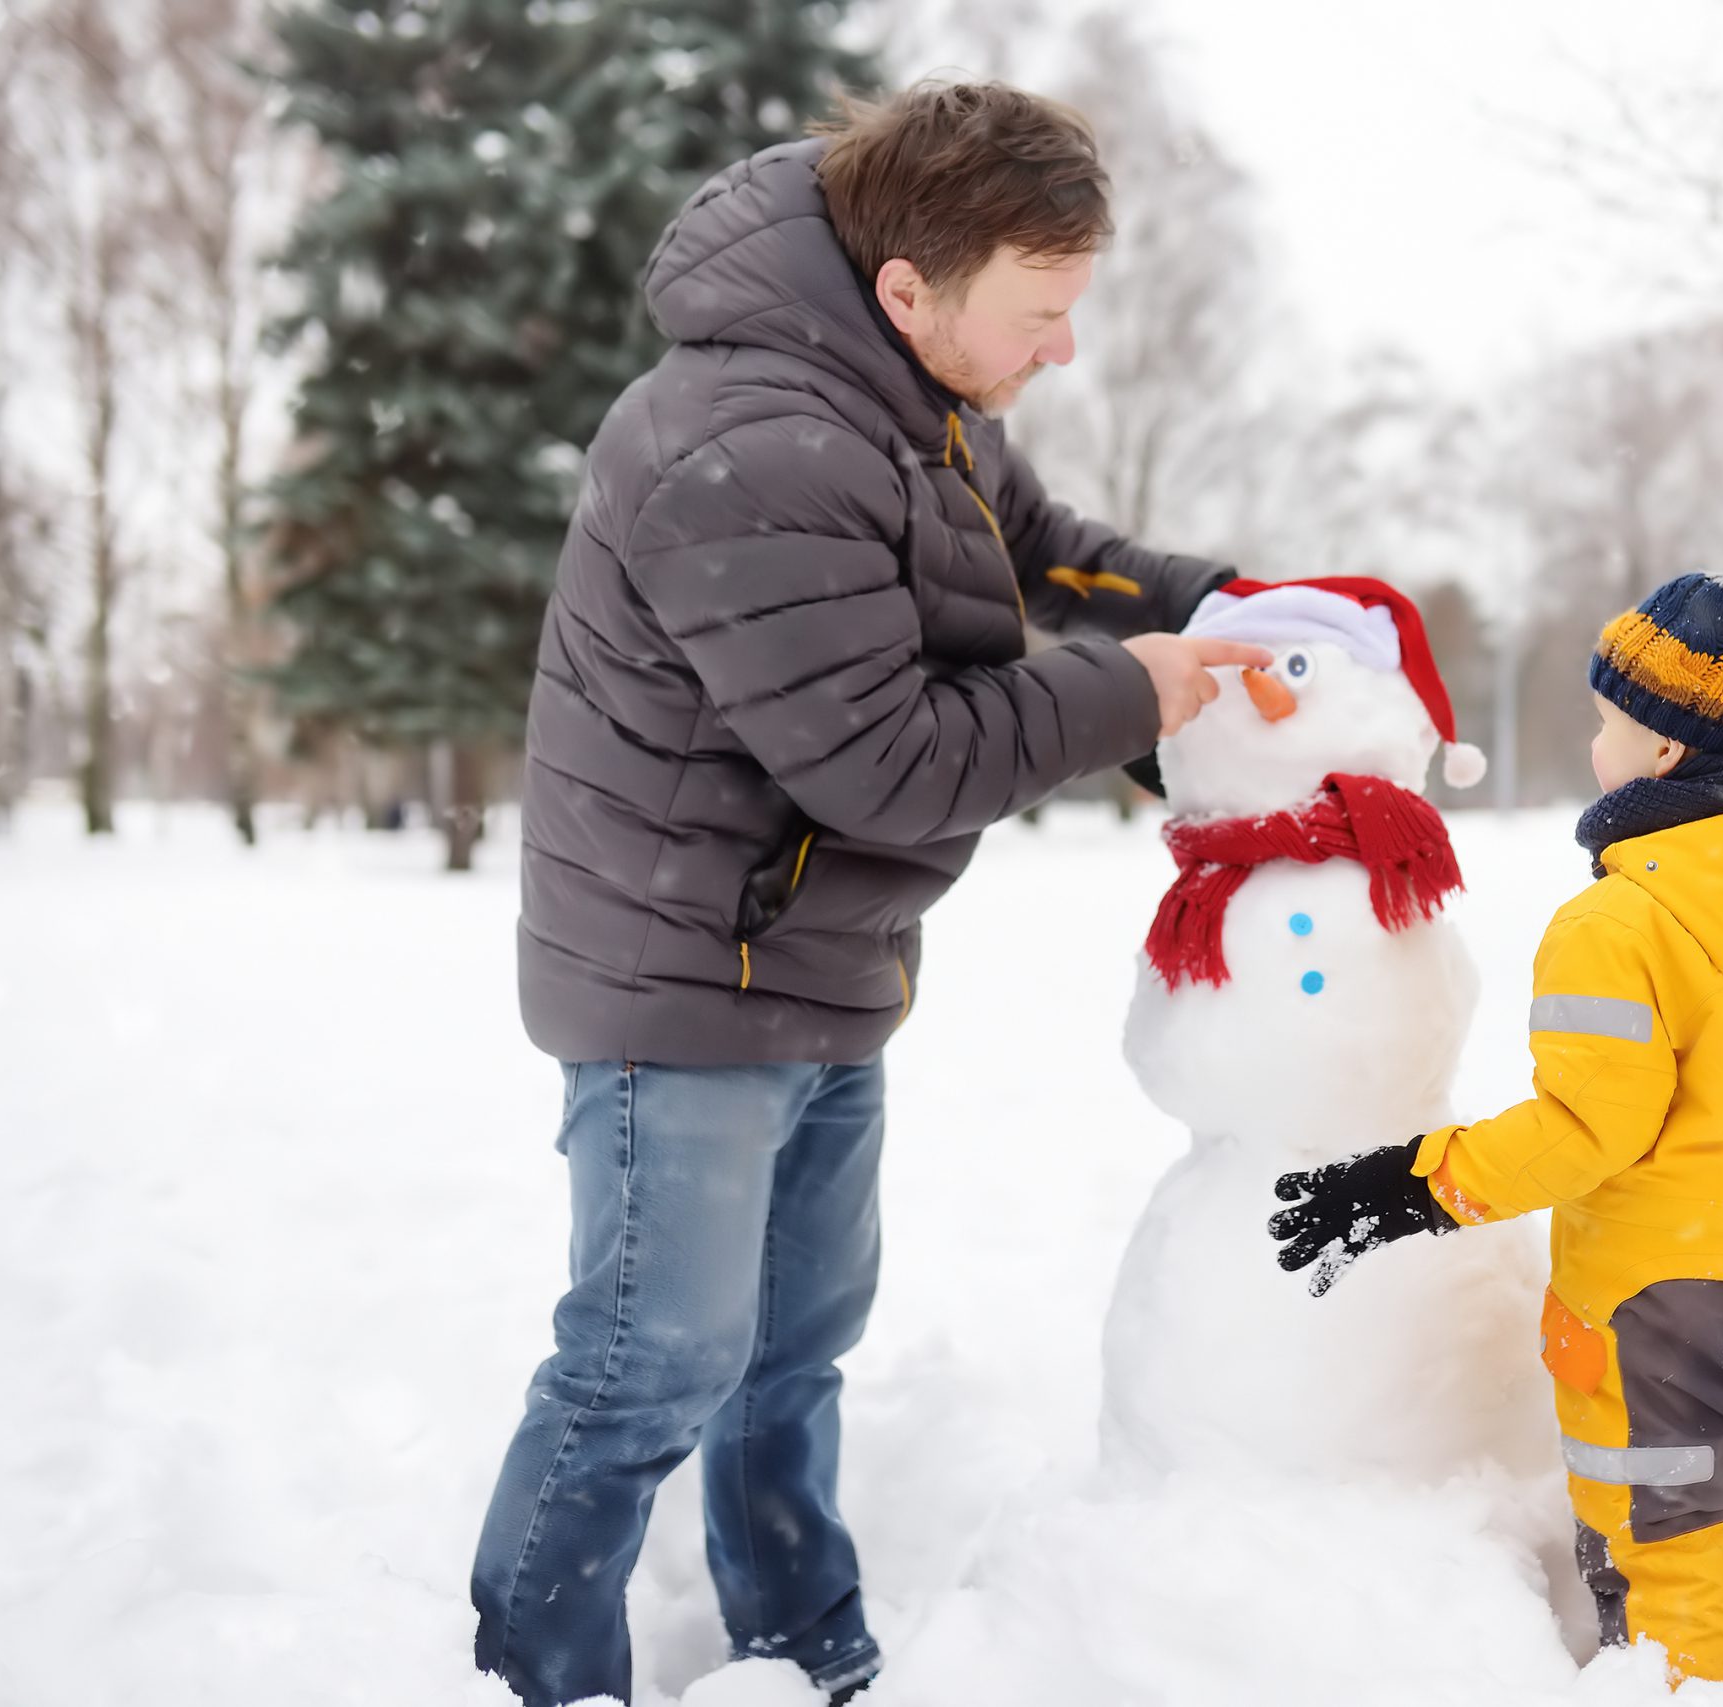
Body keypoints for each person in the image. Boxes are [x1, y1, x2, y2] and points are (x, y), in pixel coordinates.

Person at [471, 82, 1268, 1707]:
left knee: (793, 1339)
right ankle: (534, 1672)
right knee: (649, 1362)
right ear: (910, 287)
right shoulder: (748, 444)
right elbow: (886, 761)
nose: (1064, 351)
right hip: (684, 973)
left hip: (818, 948)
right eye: (1041, 315)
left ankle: (796, 1621)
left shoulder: (916, 395)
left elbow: (1045, 546)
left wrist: (1238, 604)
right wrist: (1141, 691)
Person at [1268, 513, 1723, 1699]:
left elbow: (1585, 1128)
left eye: (1607, 719)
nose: (1590, 739)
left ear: (1664, 752)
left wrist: (1406, 1186)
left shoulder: (1620, 920)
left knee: (1672, 1574)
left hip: (1661, 1319)